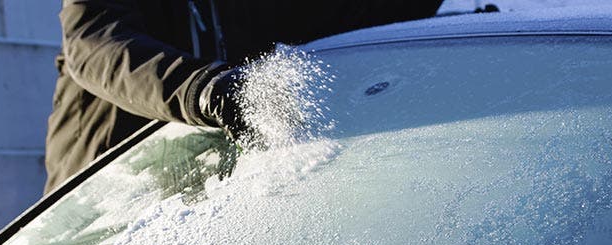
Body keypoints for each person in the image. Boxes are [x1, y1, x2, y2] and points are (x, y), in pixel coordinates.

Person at [44, 0, 443, 193]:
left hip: (203, 198)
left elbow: (345, 16)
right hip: (100, 193)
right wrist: (208, 89)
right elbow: (95, 44)